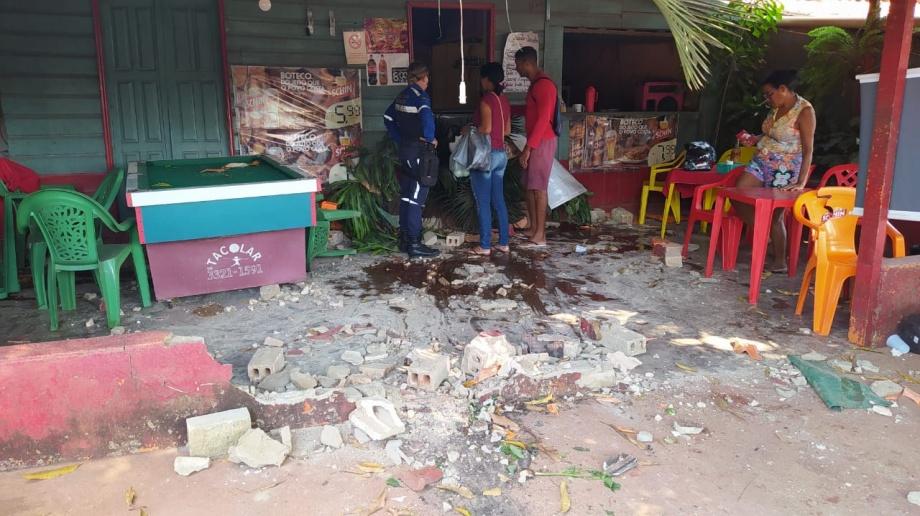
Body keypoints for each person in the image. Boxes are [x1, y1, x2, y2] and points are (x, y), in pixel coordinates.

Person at [735, 69, 816, 273]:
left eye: (769, 94)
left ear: (783, 89)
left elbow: (808, 149)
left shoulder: (805, 111)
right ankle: (766, 236)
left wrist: (801, 182)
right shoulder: (775, 107)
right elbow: (769, 133)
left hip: (785, 168)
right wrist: (754, 138)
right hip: (761, 161)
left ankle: (780, 261)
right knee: (738, 195)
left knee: (775, 215)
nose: (767, 99)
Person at [383, 62, 440, 258]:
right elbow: (427, 120)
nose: (428, 81)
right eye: (427, 78)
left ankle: (405, 239)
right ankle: (415, 243)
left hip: (405, 151)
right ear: (423, 78)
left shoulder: (402, 95)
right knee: (417, 197)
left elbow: (387, 118)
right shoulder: (421, 97)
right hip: (418, 152)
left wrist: (399, 138)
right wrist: (430, 139)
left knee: (407, 194)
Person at [514, 46, 558, 247]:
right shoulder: (535, 85)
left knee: (539, 188)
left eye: (517, 64)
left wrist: (528, 149)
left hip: (542, 141)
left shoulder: (544, 86)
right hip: (535, 140)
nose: (516, 68)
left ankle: (540, 235)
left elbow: (543, 121)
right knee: (529, 186)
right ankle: (533, 227)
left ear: (527, 63)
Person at [469, 62, 512, 256]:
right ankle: (503, 243)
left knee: (483, 202)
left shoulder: (487, 99)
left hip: (486, 157)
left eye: (482, 78)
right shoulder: (504, 100)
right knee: (499, 200)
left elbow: (485, 128)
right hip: (501, 155)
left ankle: (485, 245)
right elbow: (507, 130)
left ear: (487, 80)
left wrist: (469, 130)